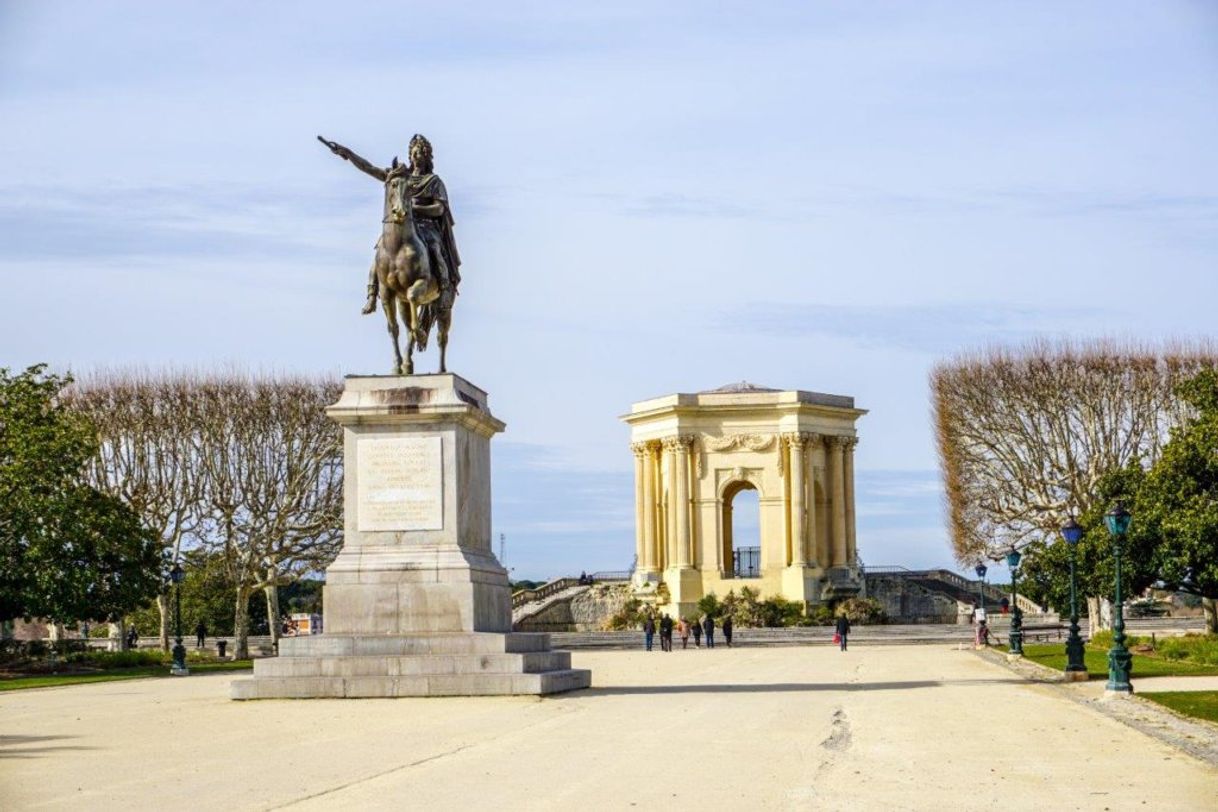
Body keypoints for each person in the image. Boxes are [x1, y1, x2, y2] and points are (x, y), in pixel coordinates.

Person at [322, 134, 462, 313]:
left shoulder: (434, 181)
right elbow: (369, 168)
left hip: (426, 225)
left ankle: (444, 284)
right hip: (402, 224)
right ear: (410, 155)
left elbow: (440, 209)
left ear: (426, 156)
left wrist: (415, 210)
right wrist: (347, 153)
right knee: (382, 247)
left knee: (434, 247)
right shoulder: (400, 177)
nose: (416, 157)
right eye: (414, 153)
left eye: (420, 153)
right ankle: (372, 293)